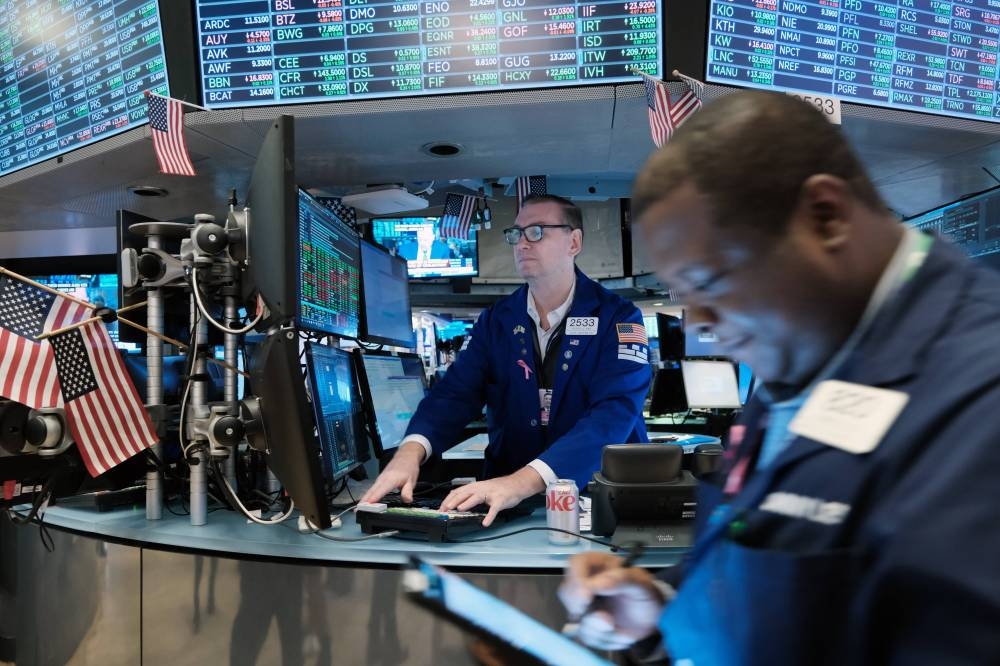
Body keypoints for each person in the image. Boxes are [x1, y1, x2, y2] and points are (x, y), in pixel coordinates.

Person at [559, 90, 1000, 664]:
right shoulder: (799, 358)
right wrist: (663, 609)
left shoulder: (980, 394)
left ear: (825, 216)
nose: (705, 325)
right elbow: (761, 541)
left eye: (711, 282)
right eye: (685, 296)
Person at [362, 194, 652, 526]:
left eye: (538, 231)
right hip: (511, 509)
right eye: (516, 233)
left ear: (574, 241)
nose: (522, 243)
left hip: (596, 498)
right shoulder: (496, 321)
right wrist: (409, 453)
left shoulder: (619, 317)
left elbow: (613, 415)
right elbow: (455, 394)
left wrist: (521, 482)